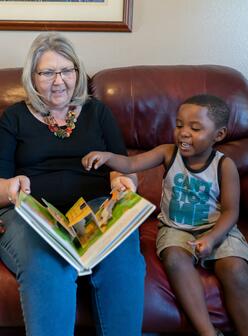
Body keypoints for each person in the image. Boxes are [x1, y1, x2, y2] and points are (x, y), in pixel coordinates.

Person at [0, 32, 145, 336]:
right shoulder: (12, 118)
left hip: (95, 208)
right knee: (48, 264)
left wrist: (123, 184)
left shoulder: (98, 112)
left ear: (77, 73)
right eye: (47, 72)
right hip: (33, 215)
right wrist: (12, 186)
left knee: (123, 261)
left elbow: (123, 167)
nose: (58, 81)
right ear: (32, 76)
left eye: (67, 70)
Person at [82, 94, 248, 336]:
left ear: (219, 135)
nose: (183, 133)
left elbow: (232, 211)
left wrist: (212, 238)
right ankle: (207, 332)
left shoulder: (224, 166)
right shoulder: (168, 153)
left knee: (234, 268)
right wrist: (108, 157)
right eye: (179, 125)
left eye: (195, 128)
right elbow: (131, 164)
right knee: (174, 259)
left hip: (217, 227)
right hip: (175, 228)